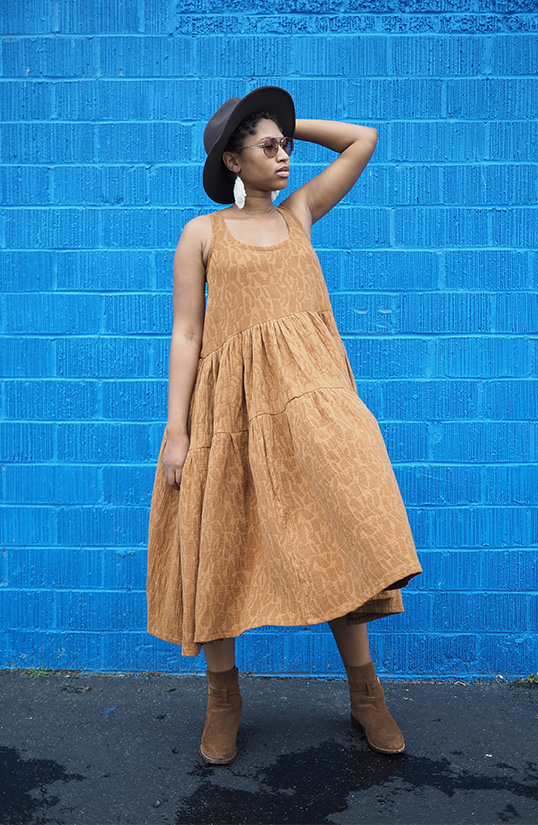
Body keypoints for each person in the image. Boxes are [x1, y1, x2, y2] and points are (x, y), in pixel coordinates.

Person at [147, 86, 422, 766]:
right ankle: (223, 699)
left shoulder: (300, 214)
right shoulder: (201, 234)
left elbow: (364, 138)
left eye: (286, 145)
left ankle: (365, 695)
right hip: (229, 409)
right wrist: (176, 431)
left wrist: (290, 120)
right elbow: (186, 333)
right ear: (232, 161)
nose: (285, 156)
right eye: (268, 146)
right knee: (220, 542)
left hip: (311, 399)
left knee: (341, 529)